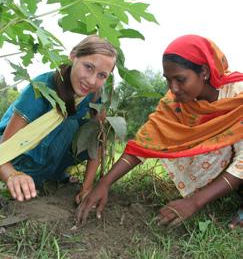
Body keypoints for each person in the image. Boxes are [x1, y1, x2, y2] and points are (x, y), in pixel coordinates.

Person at [76, 34, 243, 228]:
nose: (173, 88)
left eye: (180, 79)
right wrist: (104, 183)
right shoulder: (175, 102)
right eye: (168, 80)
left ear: (204, 72)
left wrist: (193, 202)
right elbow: (145, 142)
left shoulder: (237, 97)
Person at [0, 35, 117, 203]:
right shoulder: (41, 87)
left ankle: (52, 174)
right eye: (88, 67)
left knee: (95, 129)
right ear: (73, 56)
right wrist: (13, 175)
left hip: (49, 151)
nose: (92, 81)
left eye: (102, 75)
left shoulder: (94, 96)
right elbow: (4, 150)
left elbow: (98, 139)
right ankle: (35, 176)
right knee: (69, 124)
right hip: (15, 154)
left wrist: (87, 188)